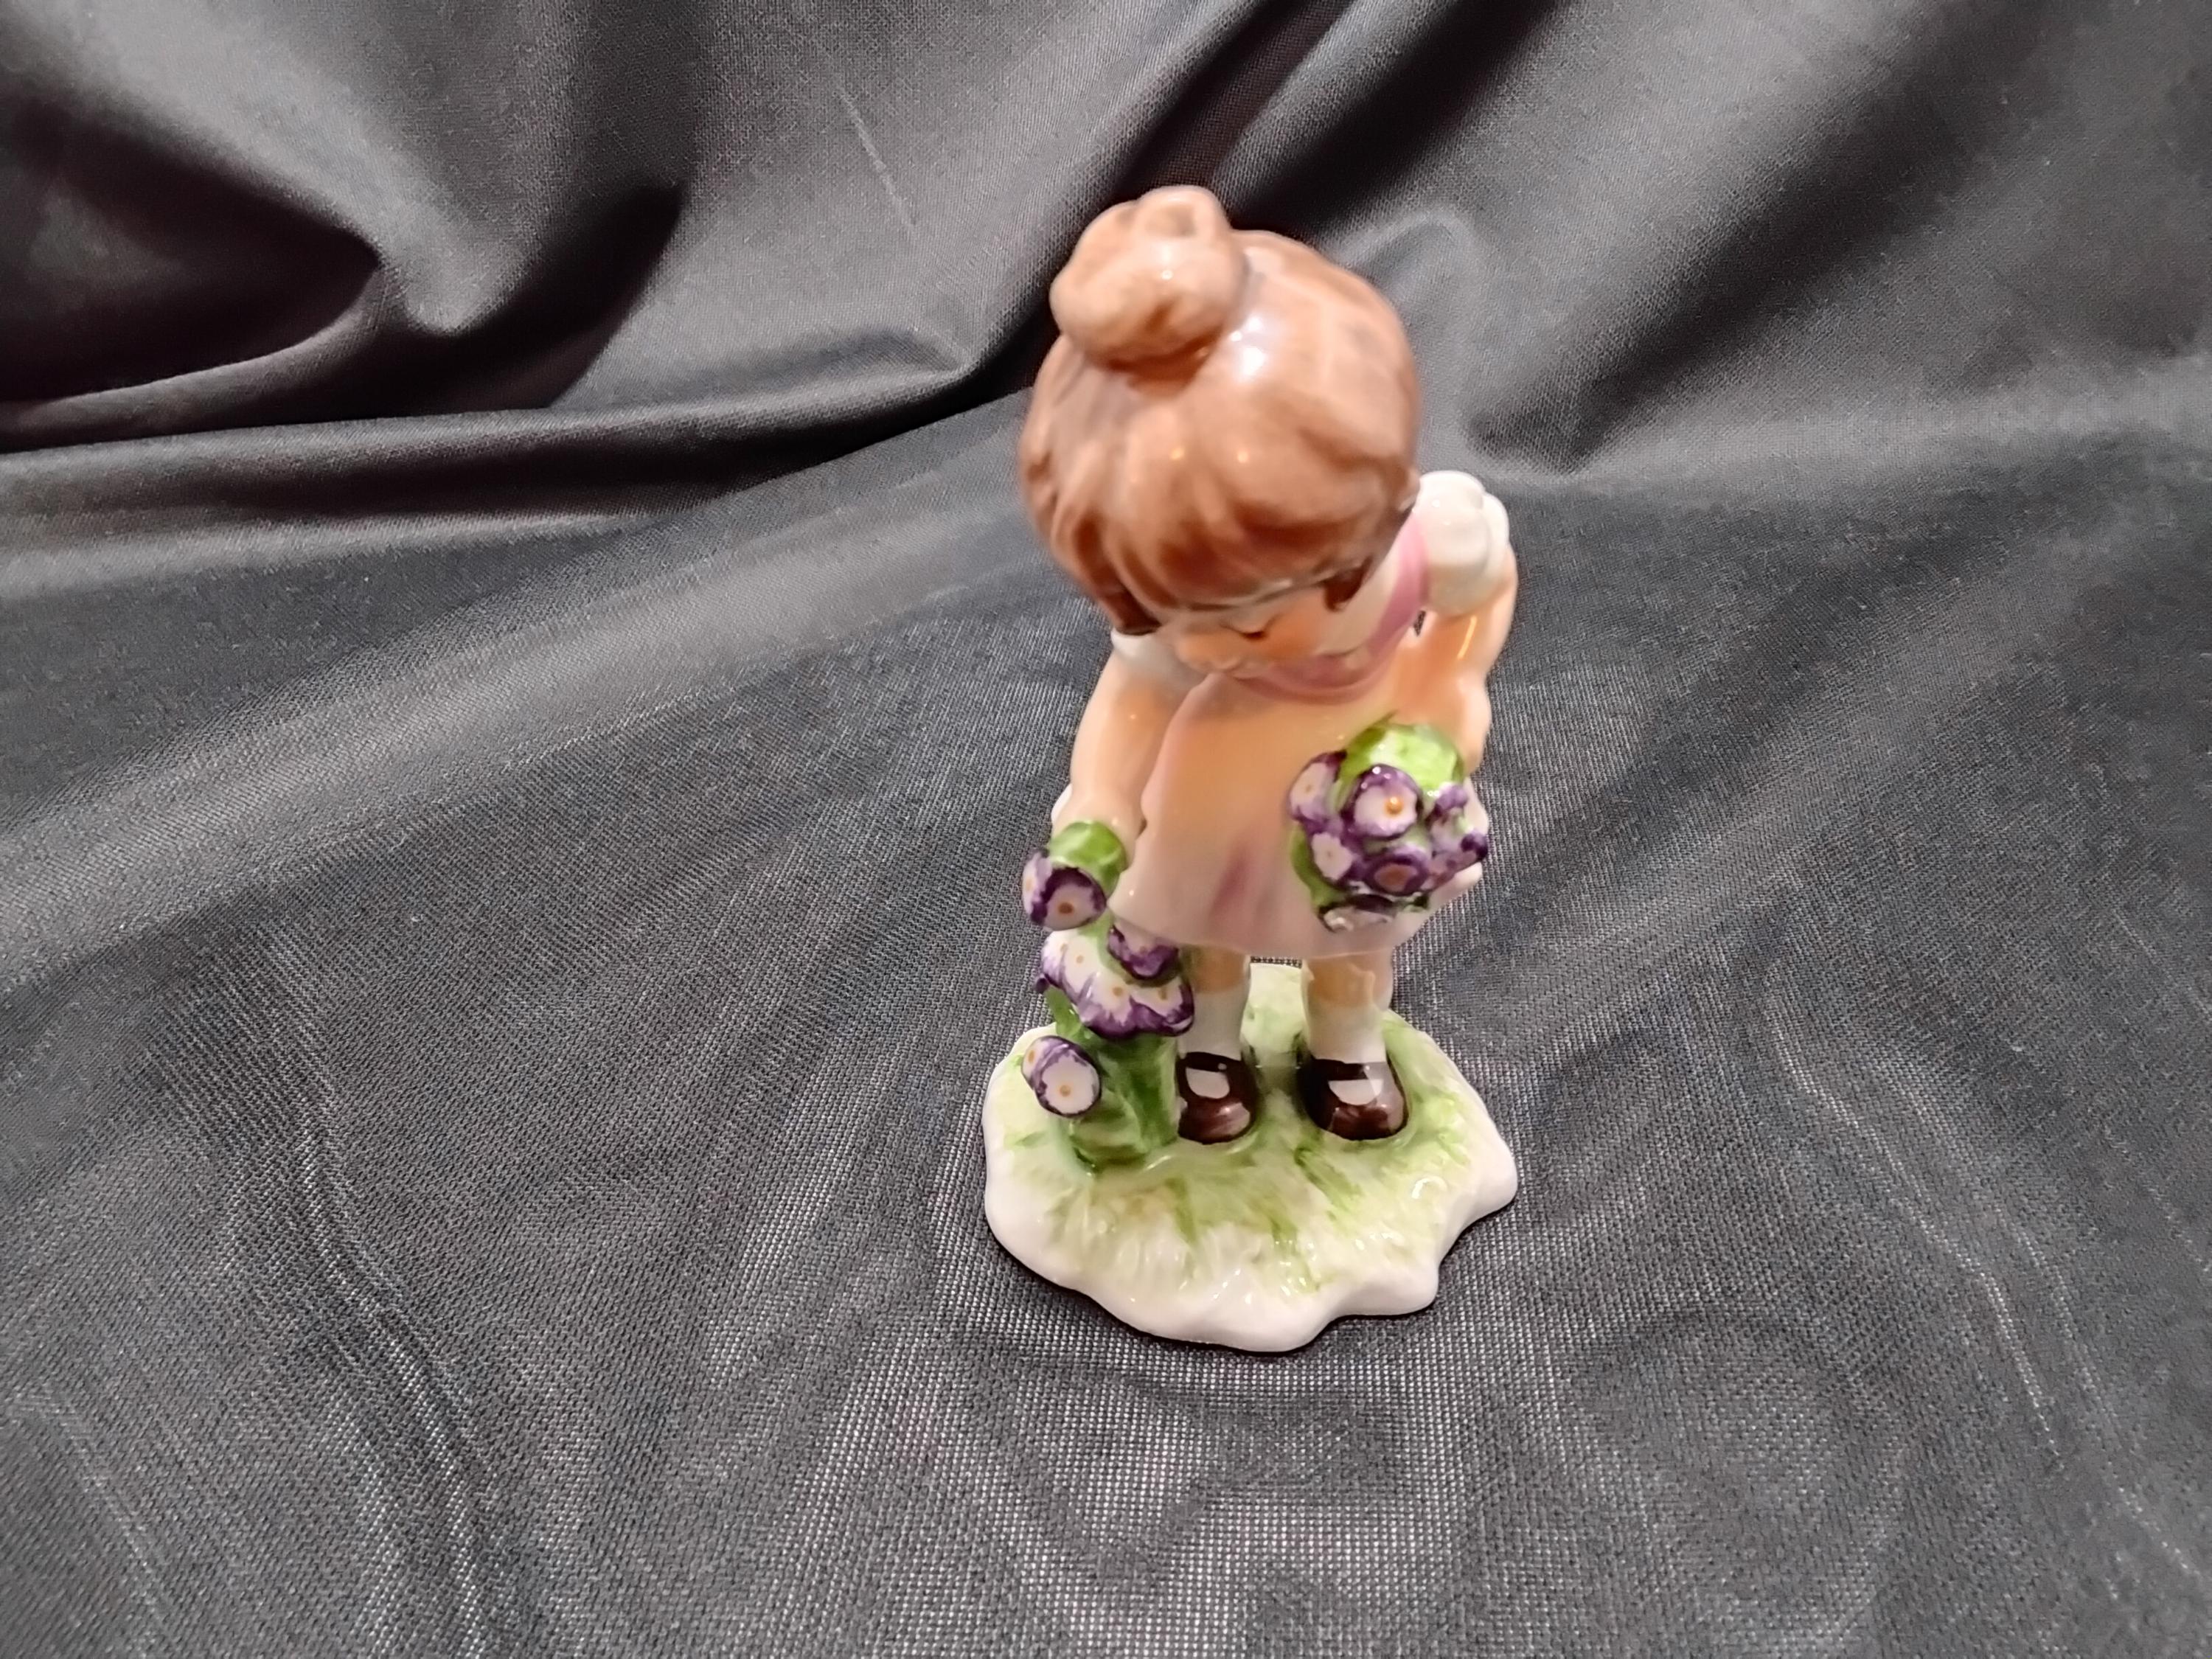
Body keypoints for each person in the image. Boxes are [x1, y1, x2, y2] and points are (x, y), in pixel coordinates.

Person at [1018, 185, 1517, 1144]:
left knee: (1354, 931)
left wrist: (1443, 694)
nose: (1210, 646)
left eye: (1251, 616)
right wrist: (1103, 801)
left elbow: (1485, 592)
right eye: (1178, 617)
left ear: (1359, 529)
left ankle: (1346, 1048)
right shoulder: (1180, 625)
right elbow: (1136, 693)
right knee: (1209, 921)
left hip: (1358, 775)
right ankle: (1211, 1048)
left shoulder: (1431, 545)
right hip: (1223, 775)